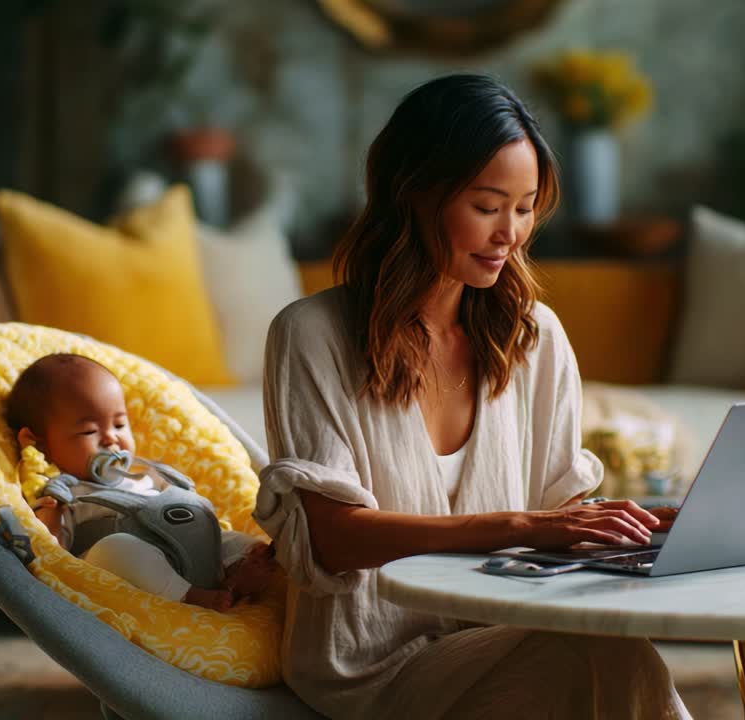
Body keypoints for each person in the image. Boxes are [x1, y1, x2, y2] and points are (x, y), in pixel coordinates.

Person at [253, 74, 690, 719]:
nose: (510, 233)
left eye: (525, 207)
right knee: (603, 662)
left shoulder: (535, 336)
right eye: (487, 206)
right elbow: (334, 538)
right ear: (414, 196)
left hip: (500, 633)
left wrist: (641, 527)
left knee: (606, 652)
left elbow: (558, 513)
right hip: (370, 661)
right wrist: (517, 526)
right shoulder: (310, 335)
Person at [6, 353, 276, 611]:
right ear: (38, 443)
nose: (111, 438)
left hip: (186, 549)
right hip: (132, 563)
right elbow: (51, 553)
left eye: (120, 425)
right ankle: (189, 595)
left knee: (229, 538)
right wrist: (48, 516)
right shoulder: (63, 495)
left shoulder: (144, 474)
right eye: (89, 430)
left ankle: (240, 571)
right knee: (116, 551)